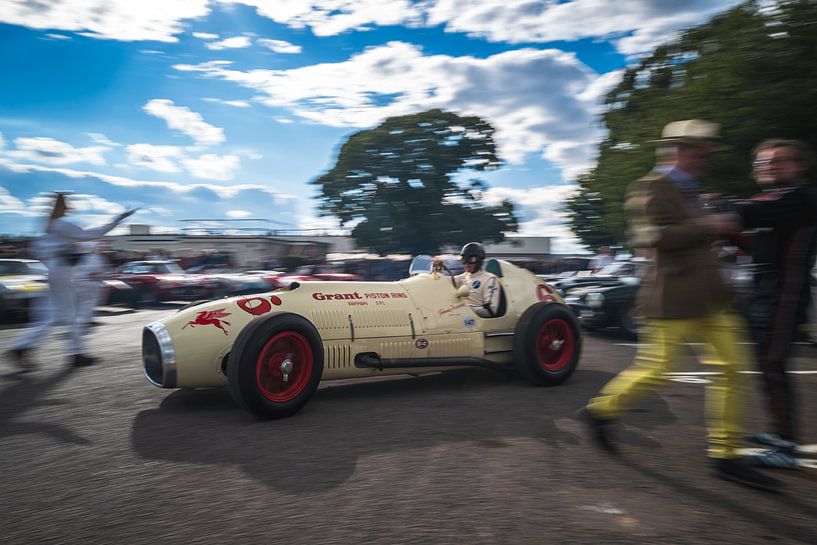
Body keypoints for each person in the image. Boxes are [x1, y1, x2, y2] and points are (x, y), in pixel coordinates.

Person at [580, 120, 781, 491]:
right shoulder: (650, 187)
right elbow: (652, 237)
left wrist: (713, 229)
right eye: (700, 151)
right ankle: (600, 410)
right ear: (680, 151)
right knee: (659, 369)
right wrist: (708, 225)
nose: (706, 158)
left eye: (707, 152)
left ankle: (725, 454)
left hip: (712, 296)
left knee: (734, 369)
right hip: (672, 296)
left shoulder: (692, 191)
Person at [728, 139, 817, 468]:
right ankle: (780, 433)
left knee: (772, 364)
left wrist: (716, 211)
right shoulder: (777, 201)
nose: (769, 166)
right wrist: (733, 233)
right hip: (766, 292)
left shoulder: (799, 197)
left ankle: (786, 446)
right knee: (768, 365)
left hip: (784, 294)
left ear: (799, 165)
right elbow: (756, 244)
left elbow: (747, 212)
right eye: (764, 162)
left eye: (779, 161)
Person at [5, 193, 135, 370]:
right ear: (63, 206)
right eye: (68, 204)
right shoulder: (62, 225)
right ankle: (75, 354)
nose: (70, 207)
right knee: (70, 315)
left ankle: (21, 347)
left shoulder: (50, 227)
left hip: (54, 271)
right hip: (63, 272)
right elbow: (93, 234)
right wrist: (118, 219)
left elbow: (38, 250)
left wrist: (60, 253)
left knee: (49, 316)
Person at [433, 242, 500, 318]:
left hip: (474, 321)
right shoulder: (464, 276)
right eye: (464, 259)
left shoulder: (489, 279)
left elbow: (490, 310)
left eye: (470, 259)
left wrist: (464, 307)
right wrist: (437, 267)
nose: (466, 263)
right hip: (456, 315)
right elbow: (443, 282)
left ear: (479, 260)